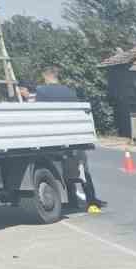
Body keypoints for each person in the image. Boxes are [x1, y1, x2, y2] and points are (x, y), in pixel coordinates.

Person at [34, 67, 105, 209]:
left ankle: (72, 200)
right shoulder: (69, 91)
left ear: (46, 77)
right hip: (74, 137)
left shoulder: (41, 91)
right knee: (82, 170)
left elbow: (39, 113)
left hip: (53, 138)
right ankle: (91, 199)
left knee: (62, 170)